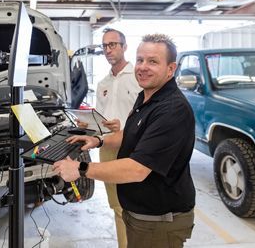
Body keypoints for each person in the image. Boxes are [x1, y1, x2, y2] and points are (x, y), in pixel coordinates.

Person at [54, 33, 196, 248]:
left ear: (171, 69)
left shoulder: (172, 109)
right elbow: (130, 133)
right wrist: (99, 141)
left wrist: (80, 168)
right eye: (140, 60)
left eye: (153, 62)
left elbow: (137, 170)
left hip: (159, 219)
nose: (143, 67)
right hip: (141, 211)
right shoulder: (147, 96)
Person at [77, 28, 141, 248]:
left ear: (124, 46)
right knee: (117, 206)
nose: (108, 50)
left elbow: (148, 115)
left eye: (113, 44)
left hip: (134, 148)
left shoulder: (138, 77)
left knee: (137, 206)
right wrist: (88, 125)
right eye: (104, 46)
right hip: (108, 148)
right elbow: (101, 121)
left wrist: (123, 126)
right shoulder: (103, 83)